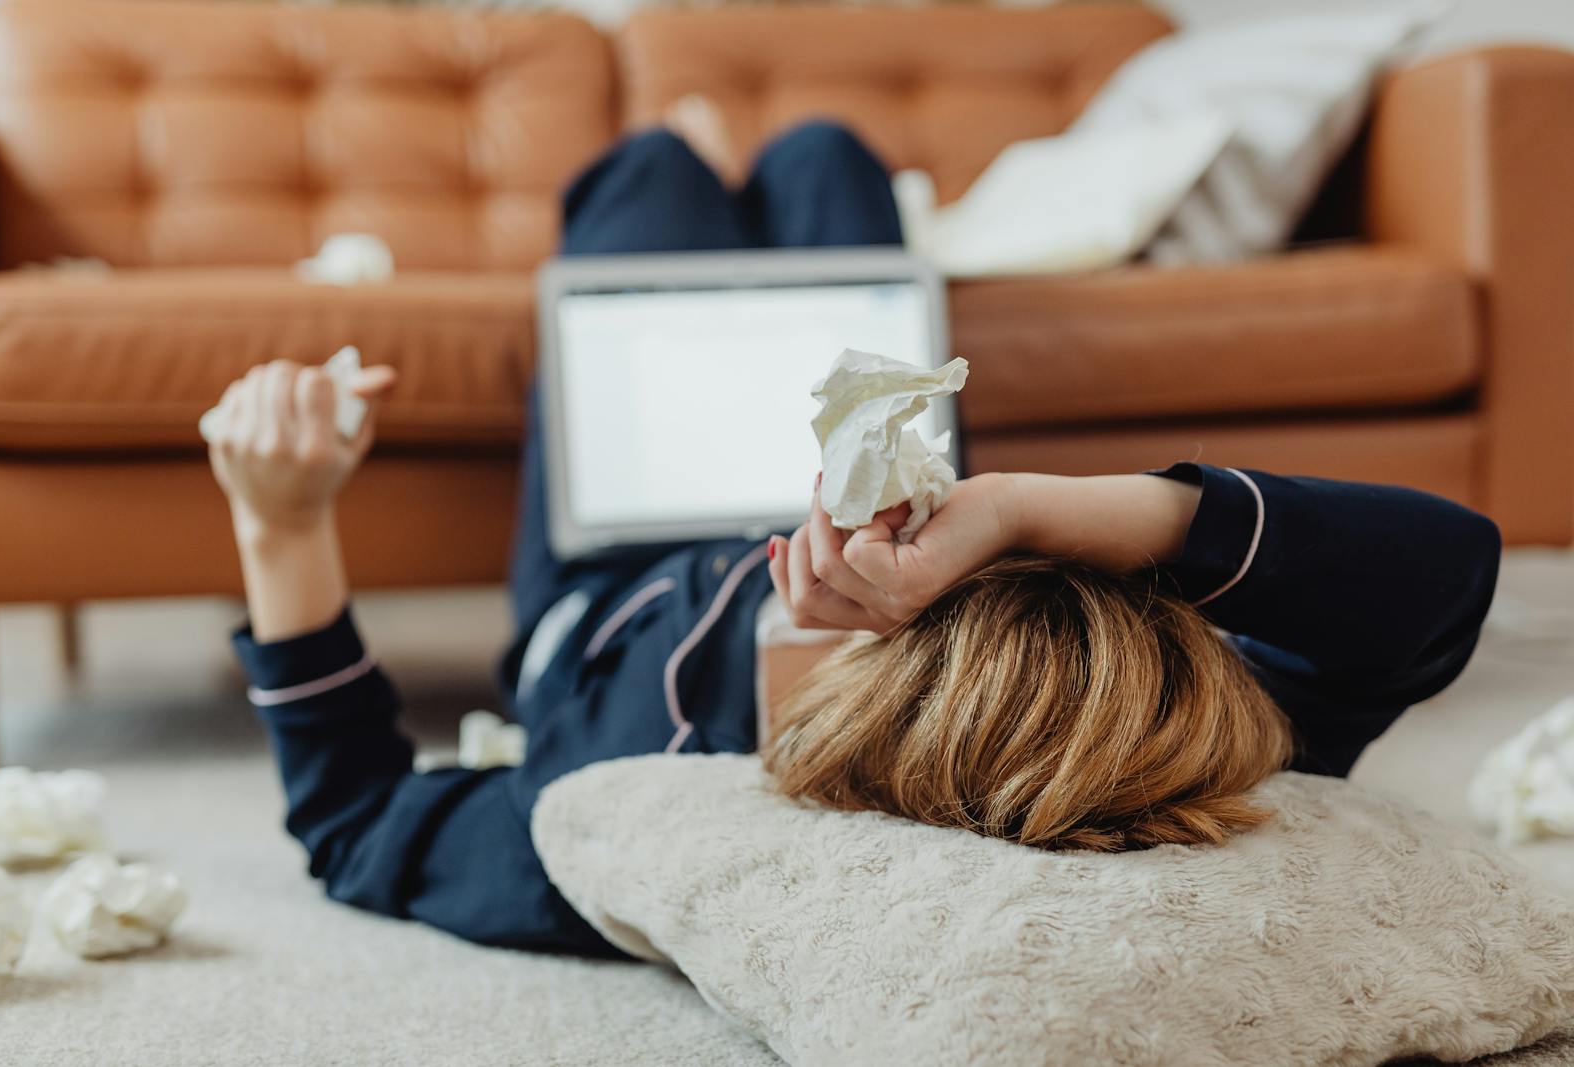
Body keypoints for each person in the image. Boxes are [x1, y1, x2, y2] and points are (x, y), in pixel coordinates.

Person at [205, 118, 1502, 957]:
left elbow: (361, 823)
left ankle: (694, 143)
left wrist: (283, 521)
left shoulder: (640, 821)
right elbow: (1444, 570)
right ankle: (796, 162)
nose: (833, 602)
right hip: (871, 466)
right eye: (987, 580)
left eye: (838, 646)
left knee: (644, 167)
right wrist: (1010, 508)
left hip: (619, 567)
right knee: (829, 153)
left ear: (820, 750)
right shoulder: (1170, 730)